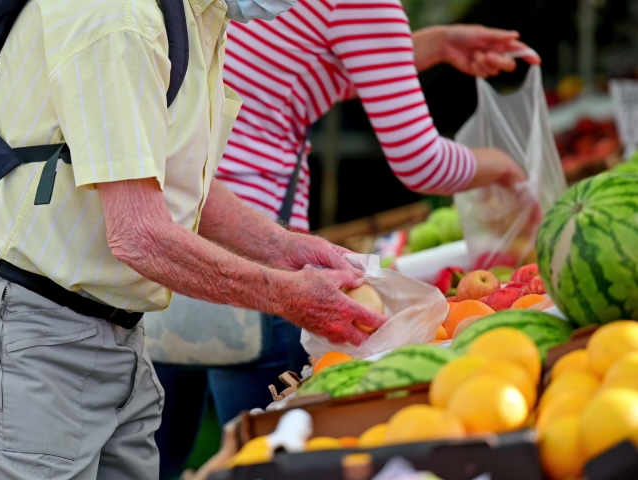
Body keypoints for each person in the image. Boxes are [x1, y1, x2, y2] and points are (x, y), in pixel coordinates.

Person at [0, 0, 388, 479]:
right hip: (23, 319)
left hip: (105, 324)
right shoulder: (121, 16)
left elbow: (155, 169)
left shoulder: (194, 15)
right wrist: (283, 294)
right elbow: (139, 235)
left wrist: (281, 247)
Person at [153, 2, 540, 477]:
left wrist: (435, 45)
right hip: (256, 242)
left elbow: (309, 71)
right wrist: (506, 169)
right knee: (260, 456)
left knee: (156, 456)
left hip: (176, 234)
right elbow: (420, 160)